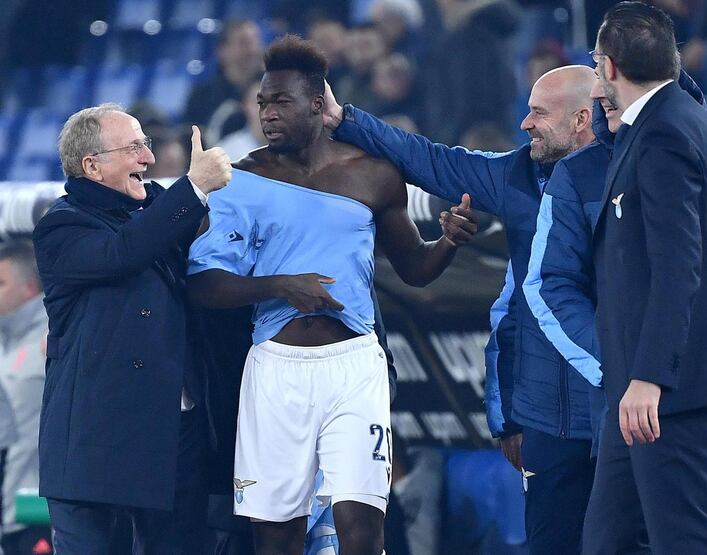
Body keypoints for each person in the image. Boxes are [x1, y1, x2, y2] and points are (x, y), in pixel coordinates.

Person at [186, 35, 478, 555]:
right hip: (274, 371)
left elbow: (414, 269)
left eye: (281, 102)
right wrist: (281, 286)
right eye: (261, 103)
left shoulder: (375, 174)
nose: (267, 114)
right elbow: (206, 286)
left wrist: (448, 243)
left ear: (319, 105)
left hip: (355, 366)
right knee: (277, 539)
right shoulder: (240, 180)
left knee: (363, 532)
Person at [520, 68, 707, 555]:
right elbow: (551, 284)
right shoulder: (580, 172)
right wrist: (622, 364)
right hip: (632, 409)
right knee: (619, 542)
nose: (605, 97)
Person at [324, 64, 598, 553]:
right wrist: (345, 119)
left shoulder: (634, 177)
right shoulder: (516, 175)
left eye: (538, 112)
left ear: (582, 119)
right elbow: (430, 160)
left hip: (618, 403)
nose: (525, 123)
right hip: (546, 415)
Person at [582, 3, 707, 553]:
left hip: (663, 388)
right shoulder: (683, 119)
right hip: (637, 385)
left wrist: (652, 377)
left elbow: (680, 267)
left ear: (608, 67)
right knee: (607, 540)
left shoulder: (665, 134)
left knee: (684, 541)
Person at [31, 103, 231, 554]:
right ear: (92, 166)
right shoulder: (60, 228)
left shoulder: (160, 206)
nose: (149, 158)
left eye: (147, 144)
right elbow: (124, 252)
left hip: (175, 437)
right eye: (134, 147)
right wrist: (194, 186)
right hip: (95, 446)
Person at [0, 241, 52, 555]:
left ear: (29, 288)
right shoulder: (3, 340)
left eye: (1, 283)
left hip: (37, 505)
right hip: (7, 508)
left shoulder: (55, 334)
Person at [183, 19, 265, 145]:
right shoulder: (202, 97)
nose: (253, 50)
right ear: (222, 51)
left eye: (255, 42)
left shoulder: (273, 90)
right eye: (244, 43)